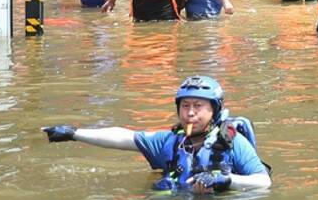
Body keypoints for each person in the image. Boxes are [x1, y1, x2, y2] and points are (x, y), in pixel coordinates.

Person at [43, 76, 271, 193]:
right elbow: (124, 138)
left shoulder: (233, 142)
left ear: (214, 111)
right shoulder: (171, 141)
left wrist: (225, 180)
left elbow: (263, 182)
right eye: (185, 106)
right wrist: (74, 133)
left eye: (198, 106)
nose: (190, 113)